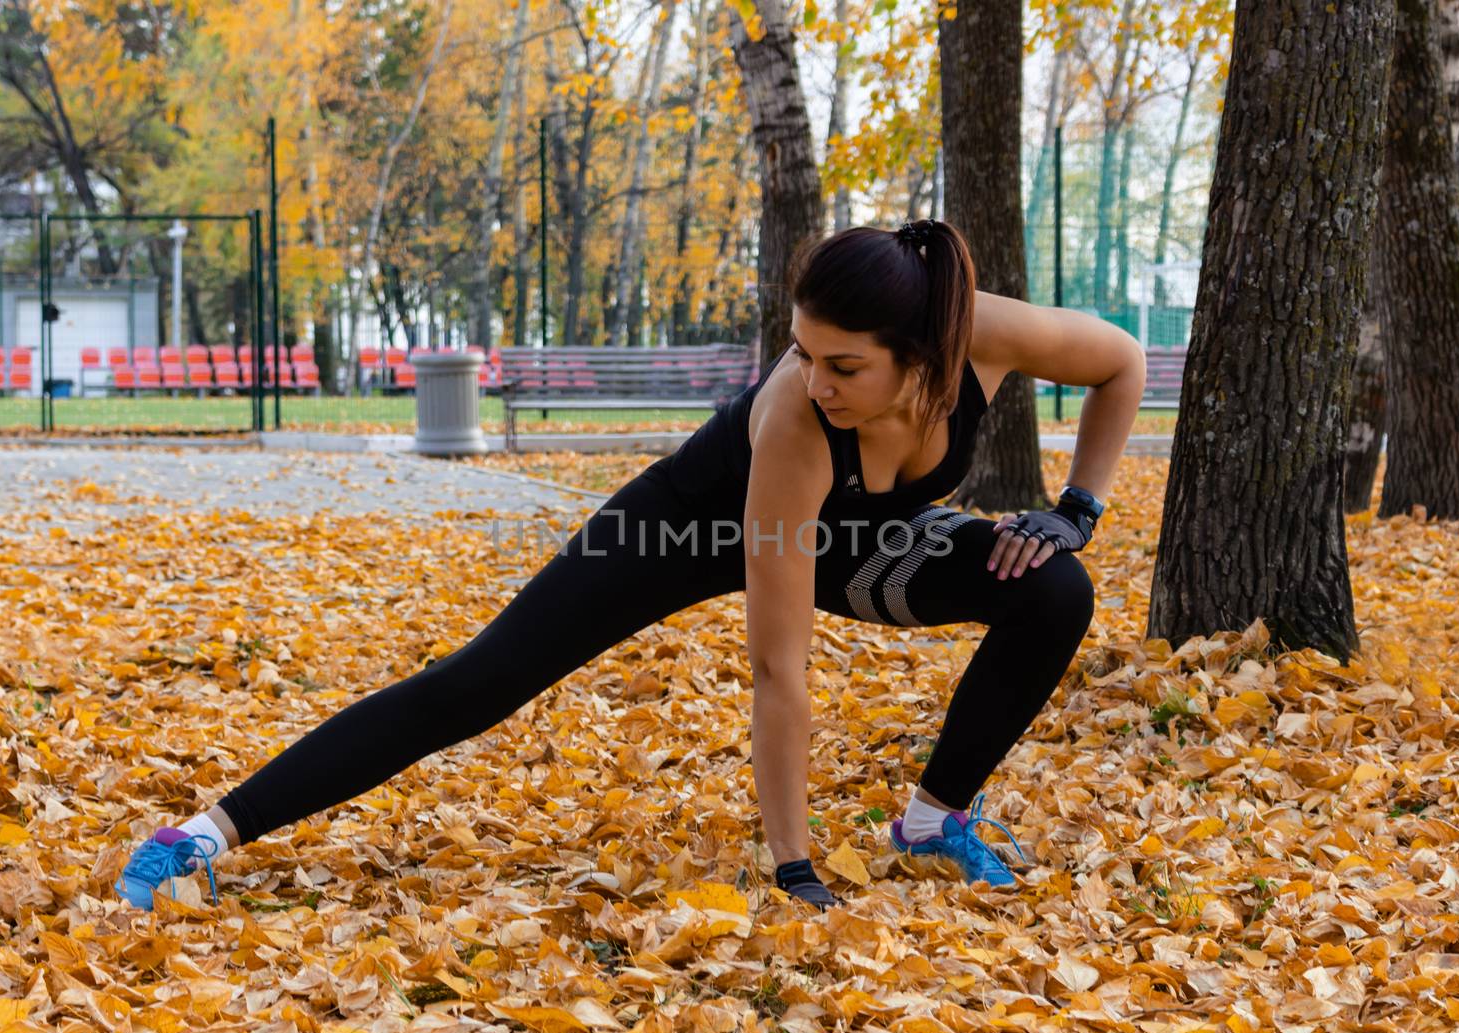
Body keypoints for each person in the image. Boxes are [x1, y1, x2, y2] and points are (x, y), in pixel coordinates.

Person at [114, 219, 1143, 912]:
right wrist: (793, 867)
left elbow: (1120, 362)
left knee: (1053, 586)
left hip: (851, 537)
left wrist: (1076, 509)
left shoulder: (985, 336)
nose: (813, 378)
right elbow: (780, 670)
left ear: (920, 351)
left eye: (842, 365)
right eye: (800, 351)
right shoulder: (795, 422)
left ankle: (932, 819)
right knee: (481, 680)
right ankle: (203, 832)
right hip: (684, 525)